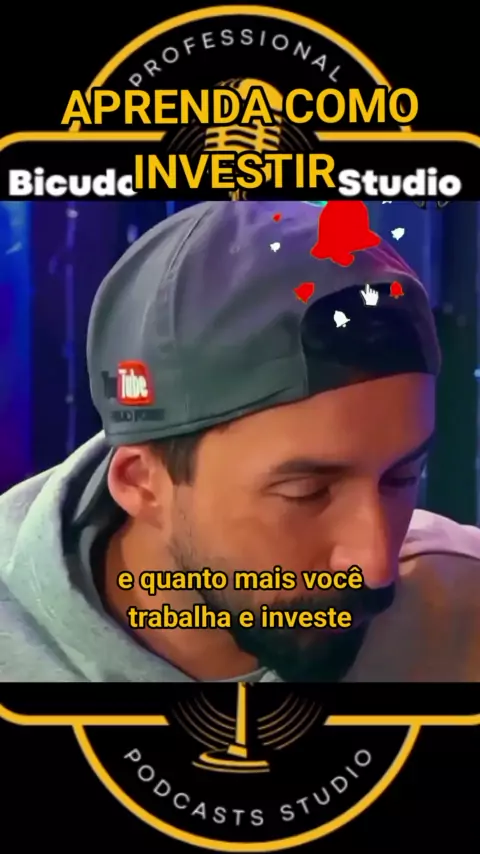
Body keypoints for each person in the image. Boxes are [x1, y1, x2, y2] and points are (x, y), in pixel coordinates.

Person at [1, 200, 479, 683]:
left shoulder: (462, 600)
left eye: (401, 478)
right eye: (307, 492)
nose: (376, 566)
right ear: (142, 483)